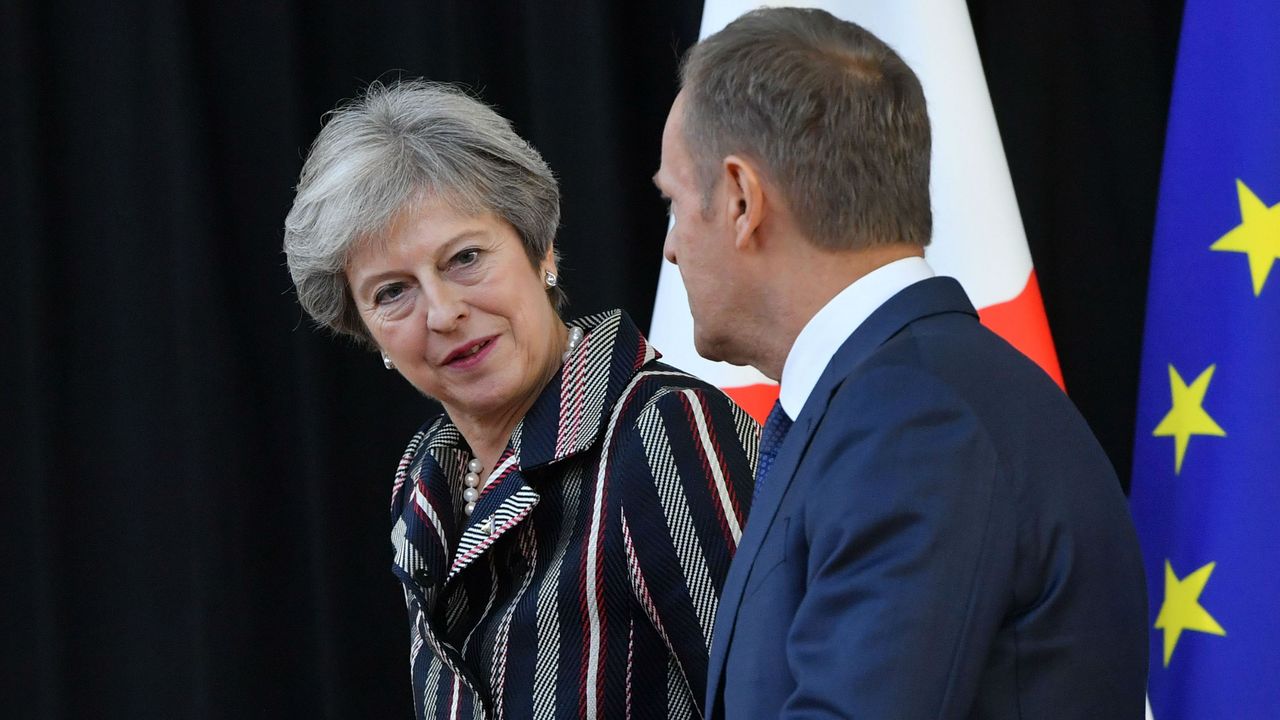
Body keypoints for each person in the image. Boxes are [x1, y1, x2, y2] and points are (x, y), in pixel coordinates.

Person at [653, 8, 1148, 719]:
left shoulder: (914, 423)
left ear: (740, 199)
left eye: (674, 205)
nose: (671, 249)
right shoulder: (900, 397)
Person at [283, 80, 757, 719]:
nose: (444, 312)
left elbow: (769, 699)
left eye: (465, 258)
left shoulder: (661, 431)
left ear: (542, 253)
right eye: (392, 292)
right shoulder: (425, 480)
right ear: (365, 331)